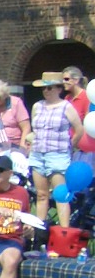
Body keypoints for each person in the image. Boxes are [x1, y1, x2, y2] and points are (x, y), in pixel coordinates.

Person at [28, 71, 85, 226]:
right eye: (44, 88)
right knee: (41, 194)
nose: (46, 91)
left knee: (60, 195)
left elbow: (79, 129)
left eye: (50, 88)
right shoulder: (37, 106)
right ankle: (40, 229)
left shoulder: (66, 107)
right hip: (38, 154)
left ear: (59, 89)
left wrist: (70, 146)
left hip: (58, 155)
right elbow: (35, 129)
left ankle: (64, 231)